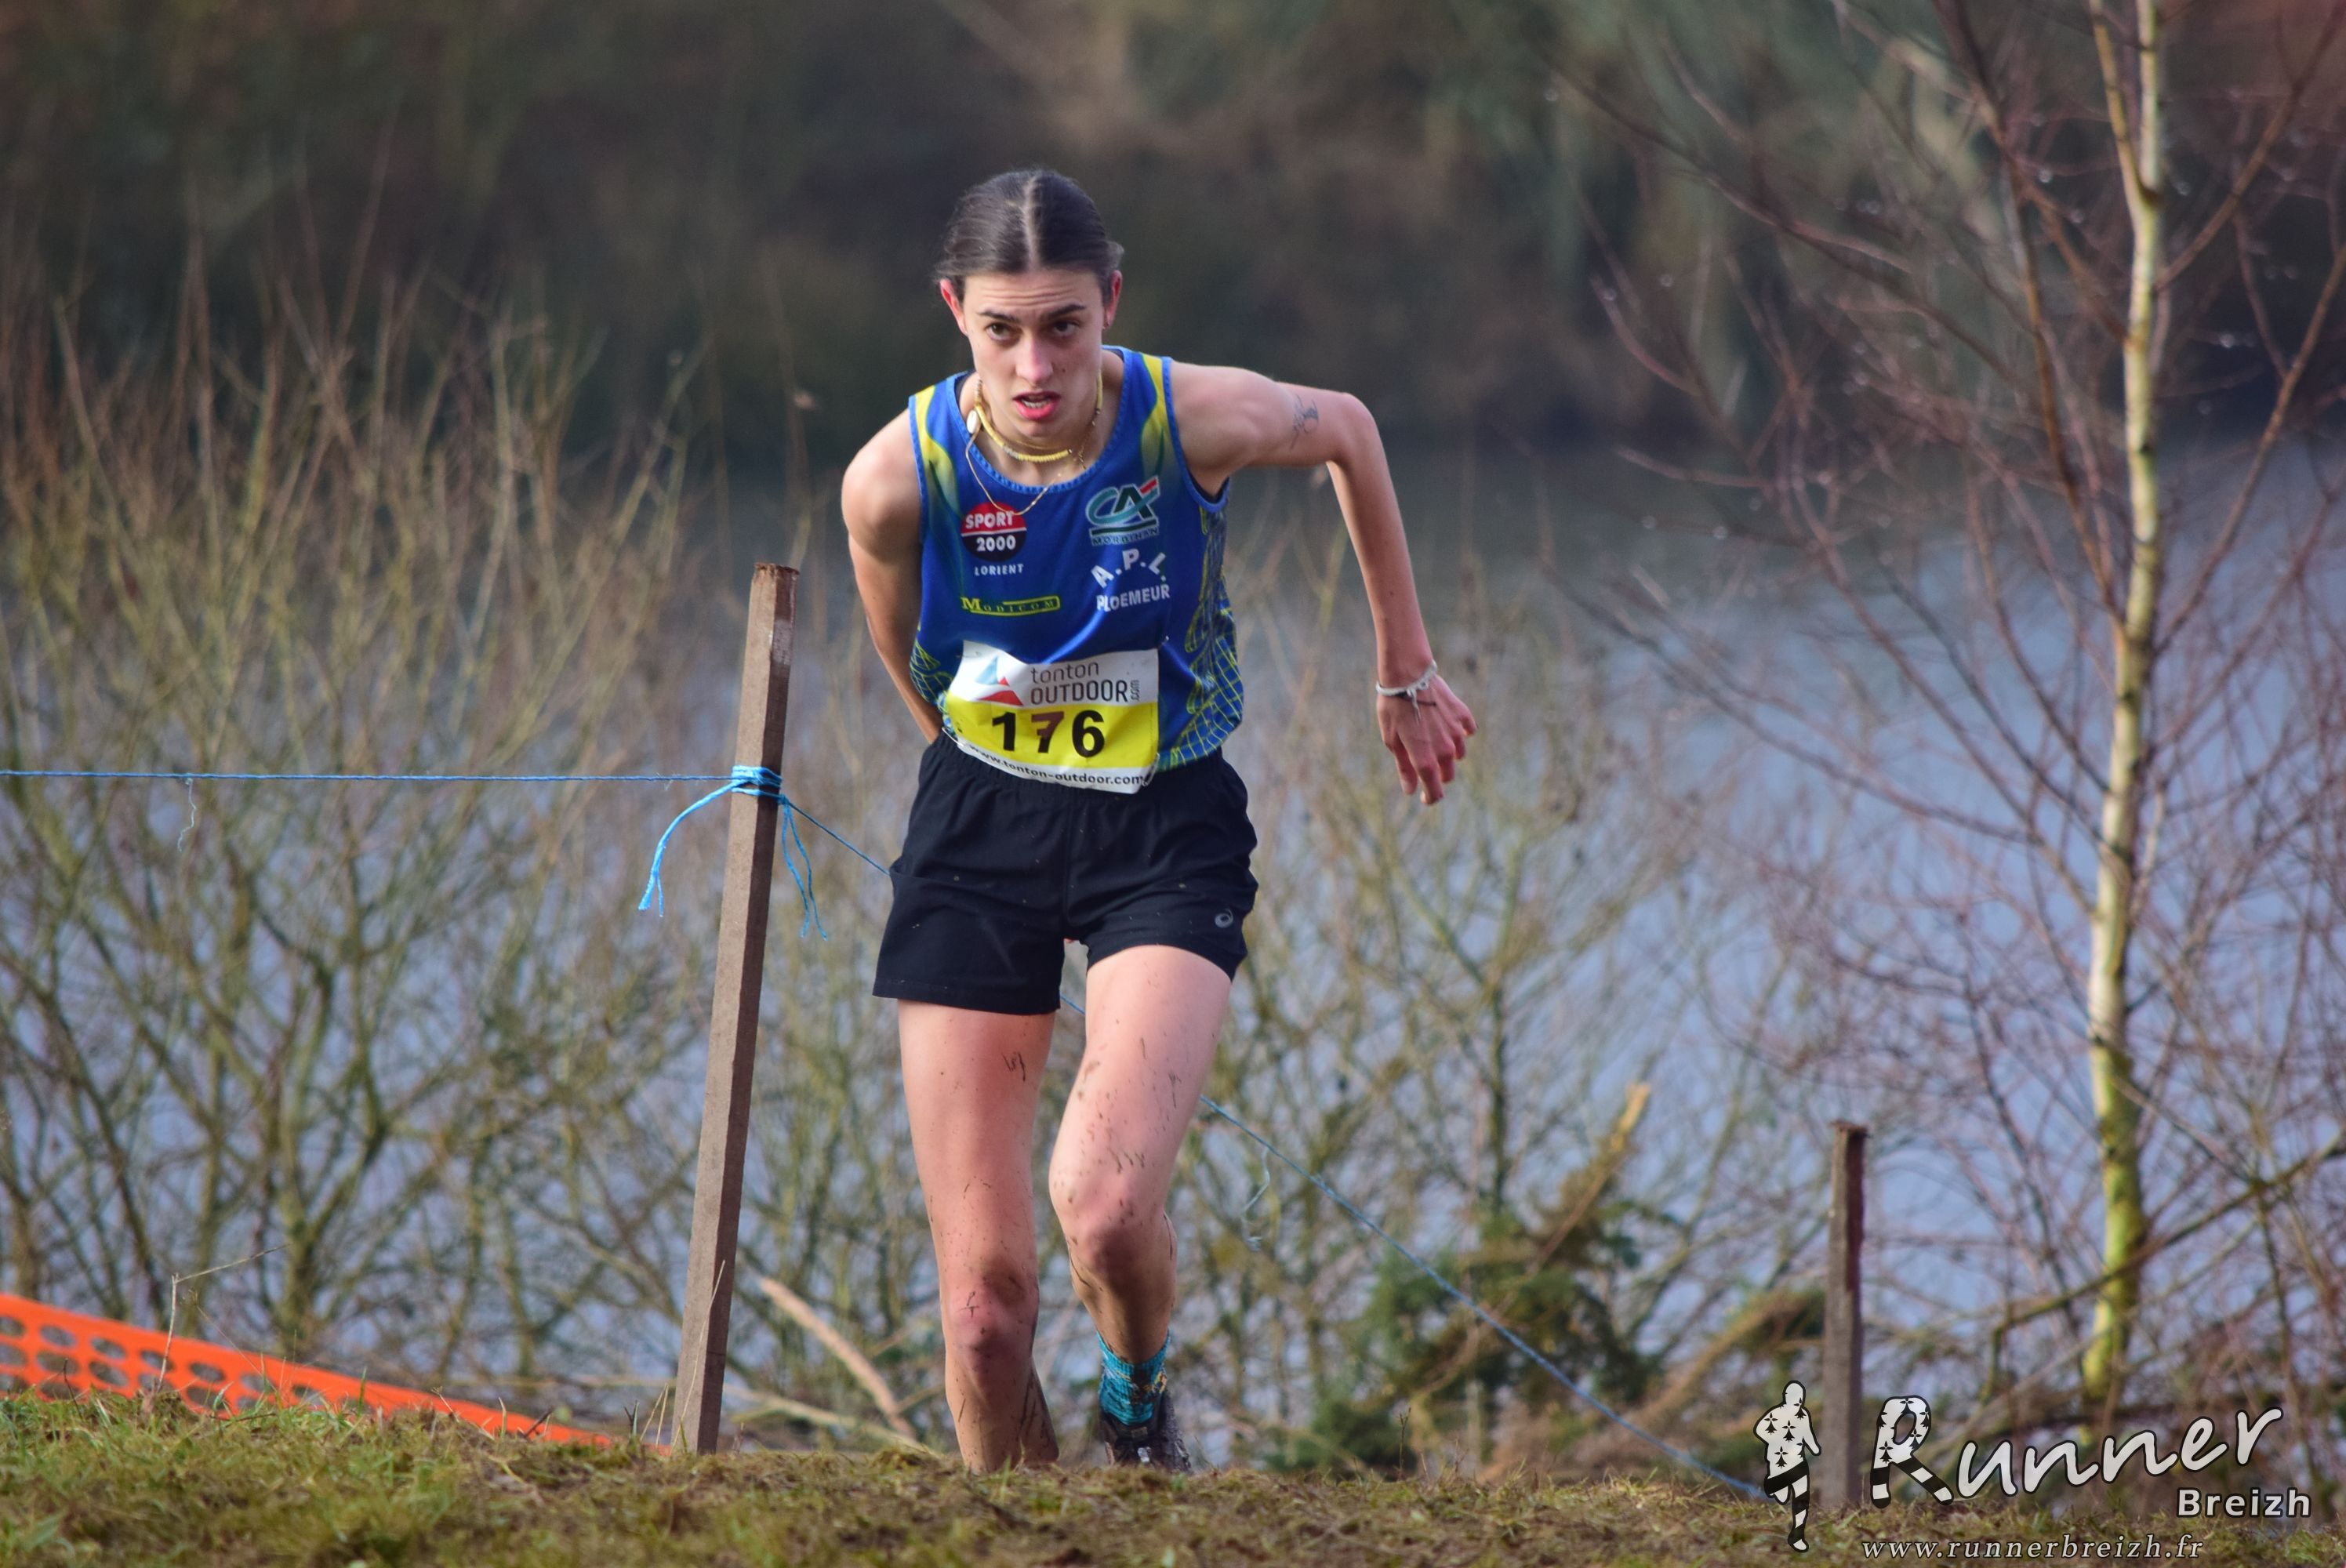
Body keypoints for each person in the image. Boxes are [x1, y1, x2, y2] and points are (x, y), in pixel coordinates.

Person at [839, 167, 1475, 1471]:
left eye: (1064, 327)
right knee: (983, 1320)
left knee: (1107, 1205)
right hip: (980, 828)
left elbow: (1351, 430)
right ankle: (1019, 1539)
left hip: (1166, 820)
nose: (1035, 367)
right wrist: (980, 772)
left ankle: (1137, 1403)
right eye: (1003, 331)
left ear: (1111, 304)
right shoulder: (896, 479)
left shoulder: (1190, 419)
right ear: (954, 311)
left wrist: (1404, 667)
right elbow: (909, 659)